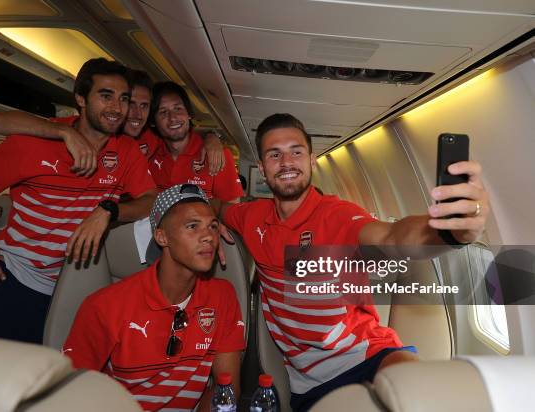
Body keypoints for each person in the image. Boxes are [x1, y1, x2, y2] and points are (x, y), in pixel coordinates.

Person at [220, 113, 490, 411]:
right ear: (262, 167)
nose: (286, 162)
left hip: (368, 354)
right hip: (309, 383)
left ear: (311, 160)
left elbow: (392, 238)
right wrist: (207, 220)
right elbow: (220, 209)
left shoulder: (336, 214)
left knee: (420, 389)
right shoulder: (251, 217)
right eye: (275, 154)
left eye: (296, 152)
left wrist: (451, 233)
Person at [0, 58, 157, 344]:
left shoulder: (127, 151)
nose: (117, 108)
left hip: (78, 282)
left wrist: (108, 210)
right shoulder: (34, 141)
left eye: (123, 98)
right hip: (19, 280)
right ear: (81, 99)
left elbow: (151, 200)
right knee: (6, 374)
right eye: (105, 96)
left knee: (60, 374)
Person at [63, 184, 245, 411]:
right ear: (162, 236)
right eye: (192, 226)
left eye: (213, 226)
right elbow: (72, 392)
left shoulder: (223, 296)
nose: (208, 236)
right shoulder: (104, 306)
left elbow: (225, 389)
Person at [0, 70, 227, 176]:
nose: (135, 114)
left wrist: (213, 137)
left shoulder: (149, 137)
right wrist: (64, 132)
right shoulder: (74, 129)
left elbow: (181, 129)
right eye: (128, 102)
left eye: (144, 106)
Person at [148, 81, 244, 210]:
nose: (172, 118)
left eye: (178, 108)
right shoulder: (148, 153)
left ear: (189, 114)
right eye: (163, 112)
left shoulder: (218, 154)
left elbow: (232, 210)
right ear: (153, 121)